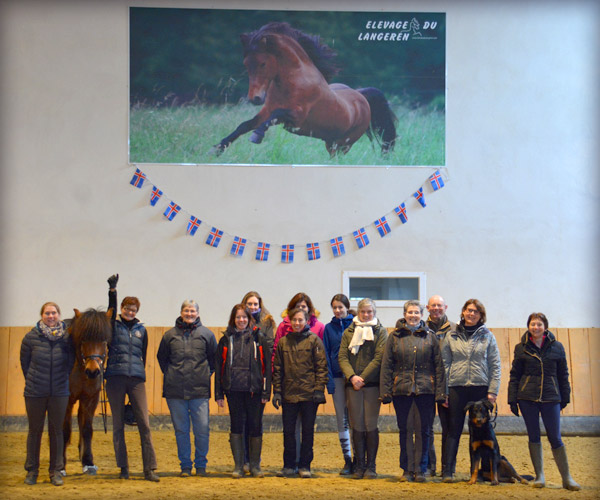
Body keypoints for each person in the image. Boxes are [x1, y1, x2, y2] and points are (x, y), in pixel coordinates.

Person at [508, 312, 580, 491]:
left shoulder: (558, 347)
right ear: (528, 326)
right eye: (533, 324)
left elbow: (563, 374)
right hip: (527, 398)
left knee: (555, 437)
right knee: (534, 436)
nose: (536, 327)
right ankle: (539, 475)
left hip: (551, 397)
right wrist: (512, 399)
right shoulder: (520, 348)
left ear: (545, 327)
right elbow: (515, 375)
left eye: (539, 324)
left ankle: (567, 478)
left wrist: (565, 396)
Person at [380, 300, 445, 482]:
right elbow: (387, 366)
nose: (413, 315)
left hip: (426, 391)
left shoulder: (430, 337)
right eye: (410, 312)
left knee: (424, 431)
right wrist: (385, 391)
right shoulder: (394, 337)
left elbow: (438, 366)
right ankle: (407, 469)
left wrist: (440, 392)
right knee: (406, 430)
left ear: (422, 315)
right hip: (402, 390)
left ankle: (422, 469)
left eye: (417, 312)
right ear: (405, 314)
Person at [105, 274, 159, 482]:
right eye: (127, 308)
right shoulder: (112, 324)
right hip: (115, 379)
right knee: (118, 425)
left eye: (133, 309)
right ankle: (123, 467)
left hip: (136, 379)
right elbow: (110, 310)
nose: (130, 311)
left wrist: (138, 373)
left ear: (137, 312)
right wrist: (113, 291)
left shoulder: (141, 330)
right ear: (121, 309)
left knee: (144, 424)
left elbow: (143, 356)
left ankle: (150, 468)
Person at [440, 298, 501, 483]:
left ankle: (484, 471)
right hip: (456, 388)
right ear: (463, 312)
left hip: (480, 388)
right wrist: (444, 391)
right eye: (469, 310)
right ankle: (448, 470)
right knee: (453, 430)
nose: (471, 314)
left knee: (483, 431)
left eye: (476, 311)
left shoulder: (488, 336)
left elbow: (495, 365)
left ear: (481, 315)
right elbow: (445, 364)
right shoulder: (451, 336)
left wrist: (492, 391)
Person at [157, 300, 217, 477]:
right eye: (186, 310)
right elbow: (162, 359)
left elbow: (213, 361)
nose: (189, 314)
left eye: (192, 311)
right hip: (175, 392)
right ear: (181, 312)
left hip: (199, 391)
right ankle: (185, 466)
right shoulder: (169, 336)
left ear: (198, 313)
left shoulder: (207, 334)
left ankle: (200, 465)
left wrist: (204, 374)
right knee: (181, 430)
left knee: (202, 430)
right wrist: (172, 374)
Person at [20, 302, 74, 486]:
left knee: (57, 431)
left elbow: (71, 364)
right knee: (35, 431)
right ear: (42, 315)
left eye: (54, 313)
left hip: (59, 392)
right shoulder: (30, 338)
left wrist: (60, 382)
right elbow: (25, 364)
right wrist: (35, 381)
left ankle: (55, 471)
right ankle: (32, 471)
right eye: (47, 313)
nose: (51, 316)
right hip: (35, 392)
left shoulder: (67, 339)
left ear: (59, 315)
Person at [215, 304, 271, 478]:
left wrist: (266, 392)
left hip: (254, 391)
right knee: (236, 426)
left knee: (255, 426)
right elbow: (219, 367)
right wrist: (219, 393)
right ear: (233, 319)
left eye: (244, 317)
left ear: (250, 319)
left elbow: (267, 368)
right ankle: (239, 466)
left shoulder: (259, 339)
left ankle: (255, 466)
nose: (241, 320)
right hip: (233, 391)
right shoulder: (225, 340)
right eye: (238, 317)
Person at [272, 307, 328, 478]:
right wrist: (277, 392)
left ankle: (305, 465)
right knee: (288, 432)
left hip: (309, 395)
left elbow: (321, 368)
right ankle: (289, 465)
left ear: (306, 321)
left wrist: (319, 389)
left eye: (300, 320)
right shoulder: (283, 342)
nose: (297, 323)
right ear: (290, 322)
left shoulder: (314, 341)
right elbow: (278, 369)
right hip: (289, 394)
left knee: (307, 431)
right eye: (294, 320)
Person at [338, 298, 388, 479]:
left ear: (374, 313)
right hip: (353, 386)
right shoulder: (348, 333)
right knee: (357, 425)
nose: (366, 315)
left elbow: (379, 357)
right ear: (358, 312)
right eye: (363, 312)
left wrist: (363, 377)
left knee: (370, 424)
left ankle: (371, 466)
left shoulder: (381, 332)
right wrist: (352, 377)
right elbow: (342, 357)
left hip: (372, 385)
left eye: (369, 312)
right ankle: (359, 465)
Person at [240, 291, 276, 472]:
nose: (252, 307)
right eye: (249, 304)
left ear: (260, 305)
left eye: (255, 304)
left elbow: (269, 347)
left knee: (255, 421)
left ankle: (255, 460)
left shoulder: (268, 321)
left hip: (259, 376)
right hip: (241, 378)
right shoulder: (239, 319)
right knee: (242, 421)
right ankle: (243, 460)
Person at [323, 294, 355, 475]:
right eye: (334, 307)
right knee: (341, 419)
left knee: (355, 418)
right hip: (336, 376)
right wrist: (329, 379)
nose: (337, 310)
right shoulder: (328, 328)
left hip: (353, 378)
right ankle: (347, 459)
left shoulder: (356, 325)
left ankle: (359, 458)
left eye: (340, 307)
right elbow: (326, 354)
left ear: (346, 307)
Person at [424, 295, 456, 477]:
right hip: (427, 384)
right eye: (433, 305)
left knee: (448, 428)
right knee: (427, 427)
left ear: (446, 307)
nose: (436, 308)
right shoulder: (422, 328)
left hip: (447, 384)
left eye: (440, 305)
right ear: (427, 308)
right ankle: (429, 466)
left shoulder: (455, 328)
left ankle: (447, 467)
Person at [272, 292, 324, 363]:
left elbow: (322, 355)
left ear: (309, 308)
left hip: (310, 371)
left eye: (303, 306)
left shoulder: (319, 327)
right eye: (297, 306)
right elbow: (276, 352)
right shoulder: (283, 326)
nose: (300, 309)